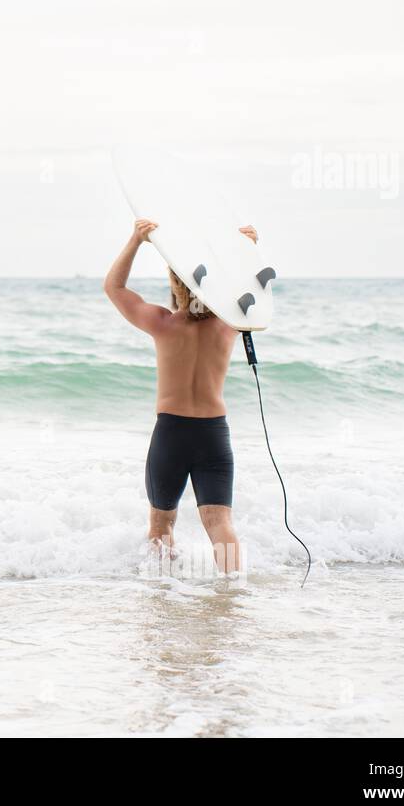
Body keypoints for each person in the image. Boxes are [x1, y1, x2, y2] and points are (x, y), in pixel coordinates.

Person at [104, 219, 260, 574]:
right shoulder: (228, 325)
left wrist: (136, 240)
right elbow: (254, 292)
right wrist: (248, 249)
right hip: (213, 435)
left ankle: (162, 598)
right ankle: (233, 597)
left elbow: (114, 287)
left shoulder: (162, 324)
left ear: (175, 283)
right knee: (220, 524)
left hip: (171, 434)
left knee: (161, 525)